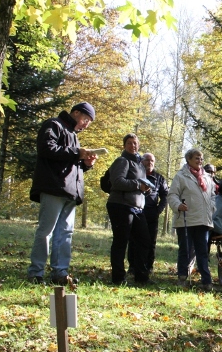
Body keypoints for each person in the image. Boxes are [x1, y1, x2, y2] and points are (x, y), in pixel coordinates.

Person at [28, 102, 97, 285]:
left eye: (89, 122)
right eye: (85, 119)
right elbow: (46, 148)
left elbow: (70, 164)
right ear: (75, 113)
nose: (86, 124)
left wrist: (86, 164)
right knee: (46, 232)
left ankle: (60, 272)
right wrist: (77, 153)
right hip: (53, 187)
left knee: (65, 233)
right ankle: (36, 273)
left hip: (70, 192)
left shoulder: (73, 135)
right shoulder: (54, 125)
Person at [106, 134, 152, 286]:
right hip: (120, 205)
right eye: (130, 143)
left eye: (135, 143)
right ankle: (118, 277)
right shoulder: (122, 161)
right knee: (121, 240)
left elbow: (139, 184)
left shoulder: (140, 165)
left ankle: (141, 276)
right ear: (124, 145)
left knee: (144, 241)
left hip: (138, 208)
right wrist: (138, 185)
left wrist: (146, 190)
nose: (133, 145)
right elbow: (117, 182)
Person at [168, 149, 216, 291]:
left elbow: (213, 196)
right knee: (185, 250)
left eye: (201, 158)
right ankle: (182, 277)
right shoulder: (181, 176)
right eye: (196, 158)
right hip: (186, 219)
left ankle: (206, 281)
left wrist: (212, 208)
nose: (200, 161)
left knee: (202, 252)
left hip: (203, 220)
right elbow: (172, 195)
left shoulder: (207, 177)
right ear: (188, 159)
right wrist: (178, 206)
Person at [127, 153, 169, 275]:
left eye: (152, 161)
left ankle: (148, 266)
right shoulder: (136, 174)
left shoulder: (160, 178)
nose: (149, 163)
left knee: (151, 242)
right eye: (147, 160)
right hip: (136, 211)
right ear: (142, 161)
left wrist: (158, 210)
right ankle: (133, 267)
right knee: (133, 240)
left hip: (151, 213)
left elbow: (165, 195)